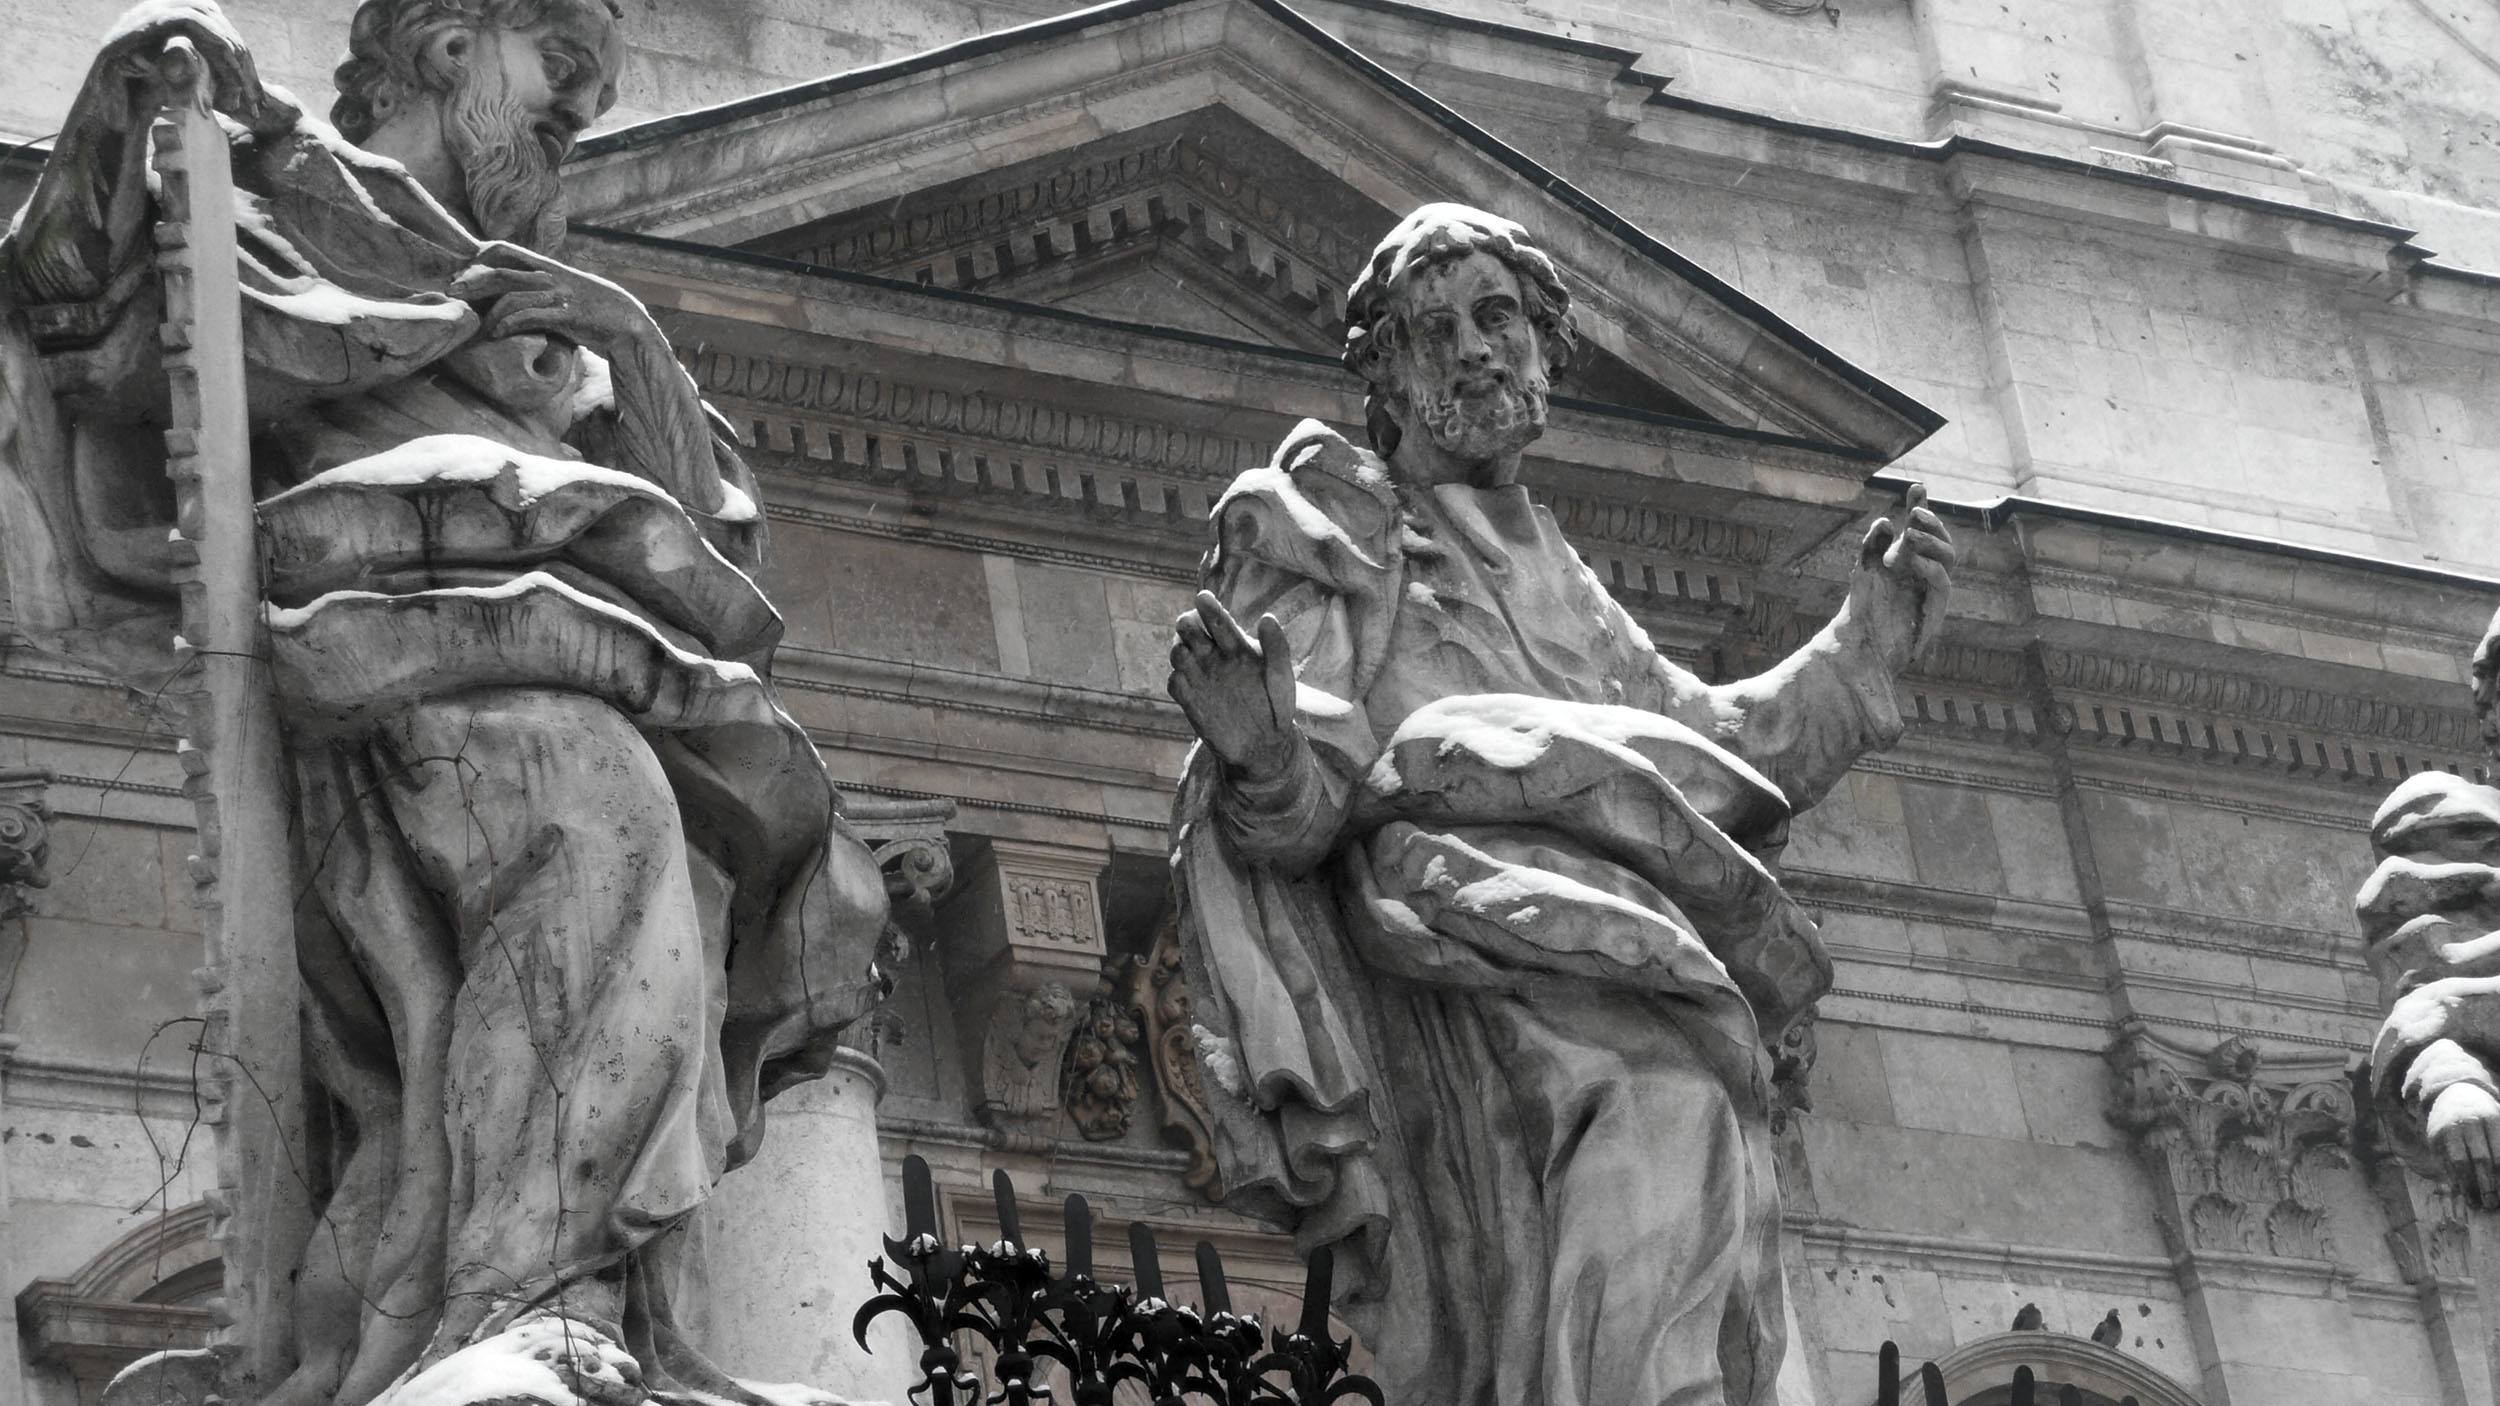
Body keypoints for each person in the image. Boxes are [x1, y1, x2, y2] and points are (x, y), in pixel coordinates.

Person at [0, 3, 890, 1403]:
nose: (578, 106)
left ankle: (549, 1297)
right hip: (398, 671)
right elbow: (81, 284)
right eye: (562, 62)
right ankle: (522, 1297)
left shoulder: (556, 323)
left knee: (630, 885)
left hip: (566, 668)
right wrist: (156, 89)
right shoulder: (302, 207)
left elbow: (716, 555)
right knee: (596, 839)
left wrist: (631, 348)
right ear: (452, 42)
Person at [1166, 203, 1954, 1406]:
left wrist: (1857, 652)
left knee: (1707, 1159)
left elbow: (1709, 746)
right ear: (1383, 371)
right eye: (1433, 332)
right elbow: (1298, 809)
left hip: (1624, 941)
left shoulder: (1556, 569)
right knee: (1662, 1121)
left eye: (1497, 319)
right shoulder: (1336, 526)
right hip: (1471, 955)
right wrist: (1263, 747)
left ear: (1546, 349)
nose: (1473, 351)